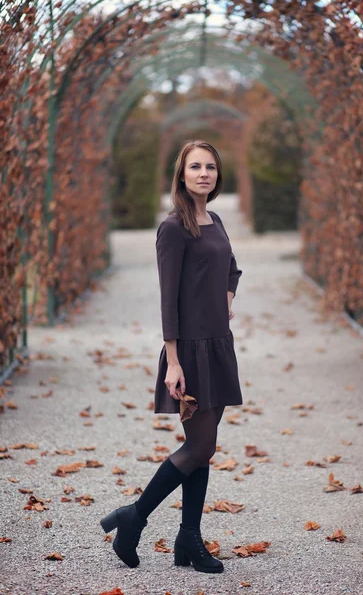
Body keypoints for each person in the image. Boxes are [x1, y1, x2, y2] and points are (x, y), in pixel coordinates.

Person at [100, 140, 243, 574]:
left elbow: (232, 270)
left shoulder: (214, 219)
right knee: (199, 445)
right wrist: (174, 361)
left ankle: (188, 541)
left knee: (203, 450)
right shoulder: (173, 228)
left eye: (211, 167)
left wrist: (225, 300)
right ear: (181, 174)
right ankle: (134, 517)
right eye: (195, 167)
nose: (204, 173)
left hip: (219, 344)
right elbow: (168, 301)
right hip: (191, 351)